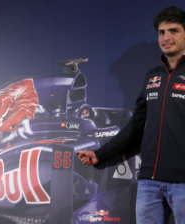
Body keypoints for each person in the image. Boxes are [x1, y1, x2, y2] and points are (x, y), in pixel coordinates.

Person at [76, 6, 185, 224]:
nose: (166, 37)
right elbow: (136, 125)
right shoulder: (152, 77)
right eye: (161, 32)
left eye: (174, 30)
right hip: (148, 182)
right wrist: (101, 154)